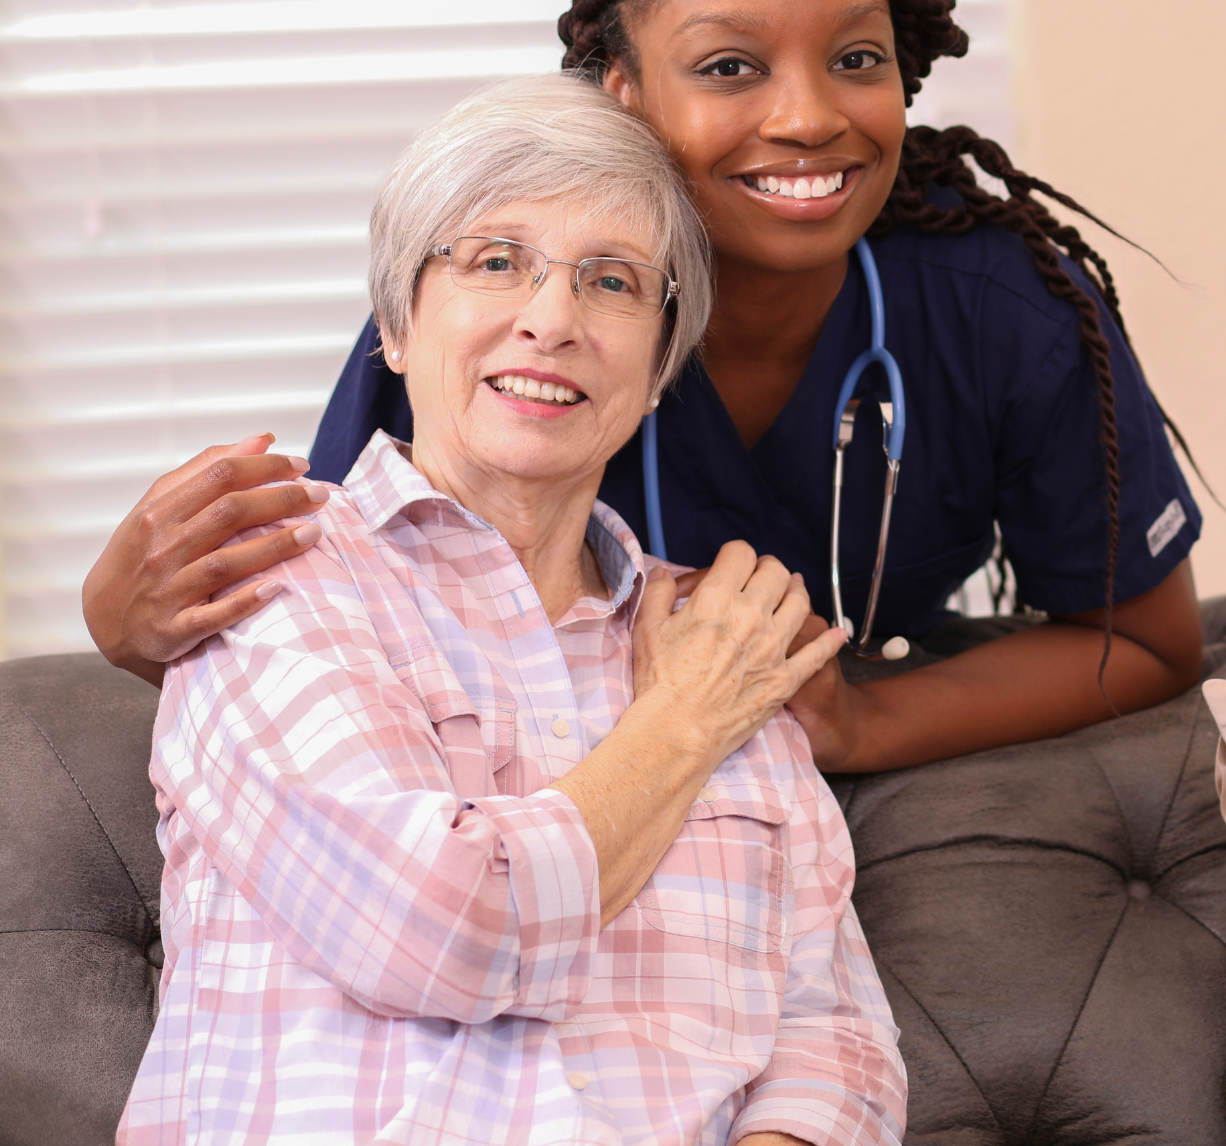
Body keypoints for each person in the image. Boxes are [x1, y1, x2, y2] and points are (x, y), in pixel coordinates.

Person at [84, 0, 1204, 774]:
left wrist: (864, 720)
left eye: (857, 58)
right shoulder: (499, 316)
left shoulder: (997, 308)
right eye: (729, 68)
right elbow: (321, 628)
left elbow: (1148, 645)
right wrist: (120, 622)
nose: (812, 116)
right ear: (622, 90)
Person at [120, 74, 904, 1146]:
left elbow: (837, 1041)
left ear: (662, 360)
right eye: (496, 263)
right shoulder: (278, 580)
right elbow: (446, 929)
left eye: (614, 282)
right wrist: (682, 725)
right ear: (397, 323)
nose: (552, 320)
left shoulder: (722, 641)